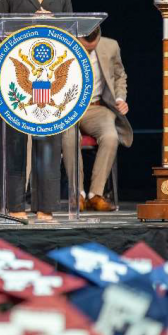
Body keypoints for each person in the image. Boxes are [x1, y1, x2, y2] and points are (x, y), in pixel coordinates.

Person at [0, 0, 73, 222]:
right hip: (15, 77)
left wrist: (56, 27)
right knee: (14, 143)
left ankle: (45, 207)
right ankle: (14, 205)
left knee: (49, 146)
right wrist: (29, 23)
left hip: (51, 77)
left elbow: (71, 37)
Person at [62, 26, 132, 212]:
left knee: (110, 136)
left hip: (97, 108)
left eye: (92, 48)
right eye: (85, 48)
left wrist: (119, 98)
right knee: (70, 138)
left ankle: (95, 195)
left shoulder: (111, 46)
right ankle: (78, 194)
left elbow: (119, 76)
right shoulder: (64, 47)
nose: (88, 51)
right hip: (68, 108)